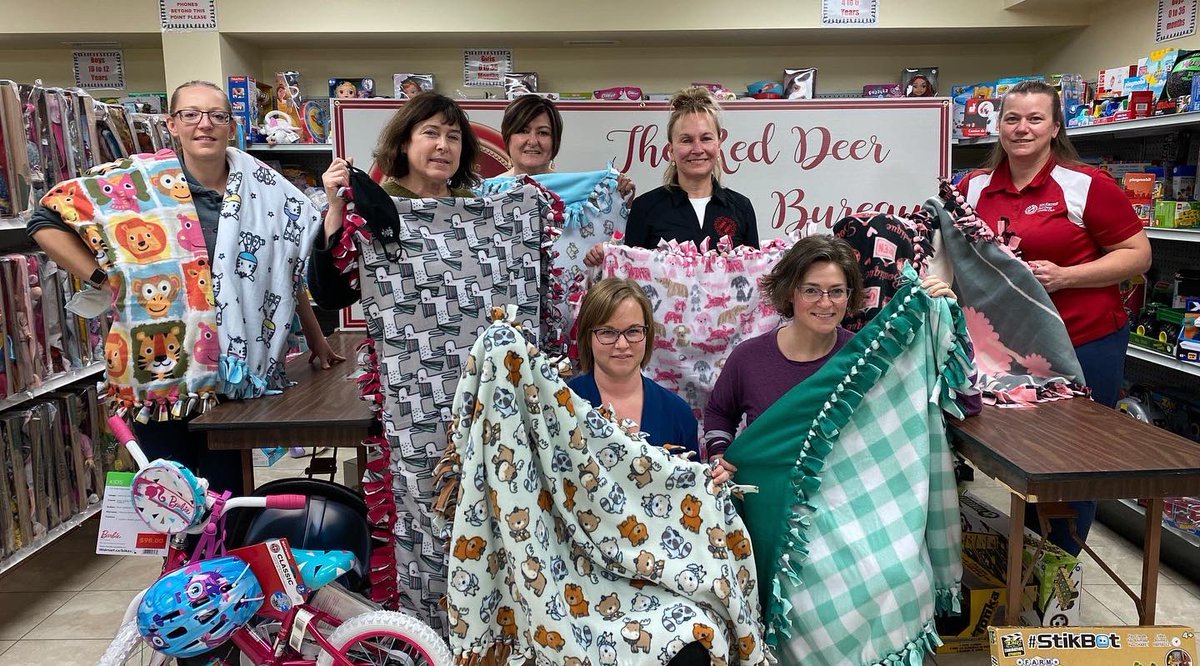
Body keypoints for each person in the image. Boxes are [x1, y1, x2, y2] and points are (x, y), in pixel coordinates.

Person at [29, 80, 340, 498]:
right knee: (171, 496)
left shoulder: (264, 189)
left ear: (232, 126)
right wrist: (107, 280)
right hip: (159, 371)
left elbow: (286, 272)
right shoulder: (135, 184)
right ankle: (181, 565)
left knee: (226, 493)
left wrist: (317, 340)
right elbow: (46, 221)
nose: (204, 125)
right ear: (172, 124)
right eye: (191, 114)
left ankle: (219, 563)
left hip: (233, 373)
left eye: (217, 115)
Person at [957, 79, 1151, 553]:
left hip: (1085, 340)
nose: (1022, 129)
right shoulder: (973, 186)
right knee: (1015, 452)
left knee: (1074, 456)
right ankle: (1020, 550)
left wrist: (1067, 276)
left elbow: (1137, 255)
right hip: (1007, 349)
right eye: (1012, 118)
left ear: (1055, 126)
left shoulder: (1086, 185)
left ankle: (1061, 561)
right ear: (997, 125)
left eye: (1034, 118)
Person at [703, 235, 963, 485]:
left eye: (837, 291)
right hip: (764, 503)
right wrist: (719, 455)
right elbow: (719, 412)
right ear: (789, 292)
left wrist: (950, 318)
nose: (826, 303)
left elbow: (962, 405)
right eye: (812, 291)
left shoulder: (866, 360)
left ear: (849, 295)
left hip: (841, 511)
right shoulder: (749, 358)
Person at [308, 91, 480, 307]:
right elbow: (331, 297)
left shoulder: (470, 203)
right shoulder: (373, 205)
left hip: (471, 339)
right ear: (403, 144)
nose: (443, 145)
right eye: (431, 133)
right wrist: (335, 210)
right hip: (397, 339)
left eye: (453, 137)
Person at [583, 86, 757, 267]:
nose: (697, 149)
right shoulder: (645, 208)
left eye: (706, 138)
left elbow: (754, 275)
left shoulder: (741, 208)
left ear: (718, 145)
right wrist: (606, 256)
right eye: (686, 140)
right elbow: (631, 281)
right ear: (671, 151)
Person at [568, 278, 698, 457]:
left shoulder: (678, 414)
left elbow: (694, 483)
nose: (622, 344)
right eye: (607, 332)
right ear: (587, 337)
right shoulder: (562, 403)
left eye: (633, 331)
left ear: (647, 334)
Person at [489, 93, 634, 196]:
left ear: (555, 141)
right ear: (507, 137)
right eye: (523, 131)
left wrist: (620, 197)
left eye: (543, 133)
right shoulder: (485, 194)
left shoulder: (583, 195)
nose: (532, 141)